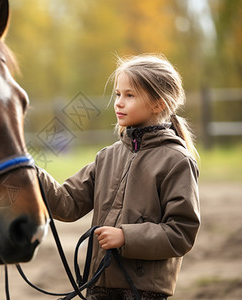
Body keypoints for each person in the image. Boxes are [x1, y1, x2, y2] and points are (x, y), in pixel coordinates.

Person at [38, 54, 200, 300]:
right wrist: (30, 171)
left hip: (142, 294)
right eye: (117, 94)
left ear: (158, 104)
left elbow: (181, 233)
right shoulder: (107, 157)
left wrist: (126, 236)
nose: (119, 103)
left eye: (130, 95)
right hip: (98, 288)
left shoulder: (176, 161)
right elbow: (67, 203)